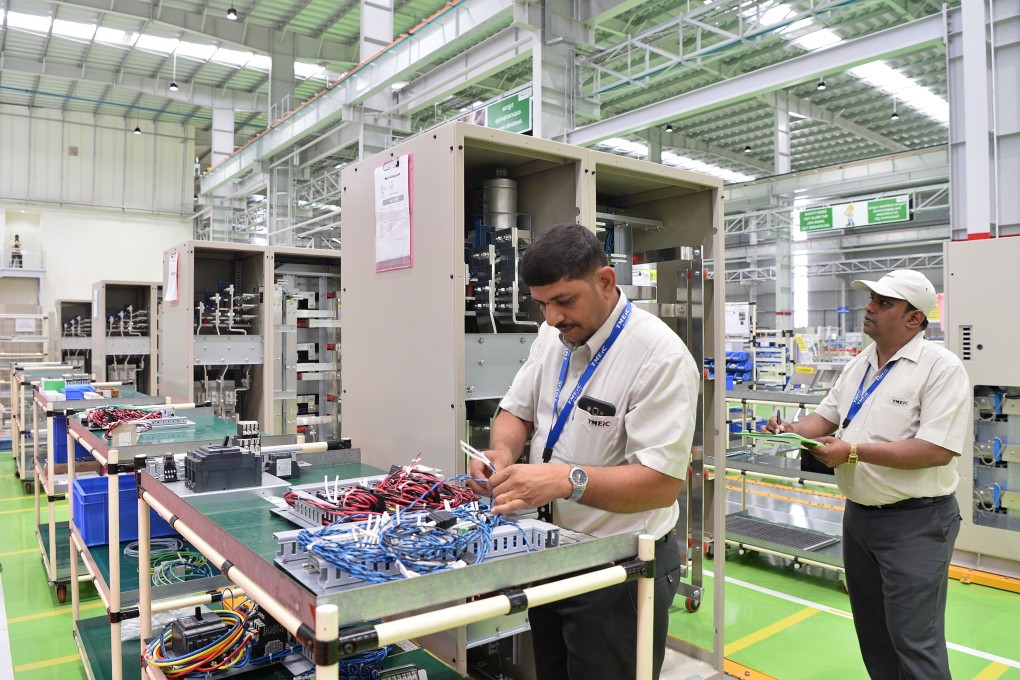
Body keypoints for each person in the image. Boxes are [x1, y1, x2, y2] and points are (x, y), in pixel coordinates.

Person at [466, 223, 700, 680]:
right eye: (543, 304)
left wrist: (564, 480)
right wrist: (502, 453)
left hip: (620, 571)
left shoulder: (659, 357)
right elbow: (515, 411)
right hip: (551, 556)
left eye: (564, 301)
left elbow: (661, 485)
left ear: (606, 282)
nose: (552, 317)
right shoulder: (551, 337)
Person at [763, 269, 969, 679]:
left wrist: (853, 451)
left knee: (914, 640)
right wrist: (790, 430)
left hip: (916, 521)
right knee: (874, 635)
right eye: (872, 299)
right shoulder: (859, 364)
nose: (869, 307)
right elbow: (825, 418)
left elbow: (937, 450)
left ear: (914, 318)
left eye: (884, 302)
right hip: (859, 517)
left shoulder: (940, 369)